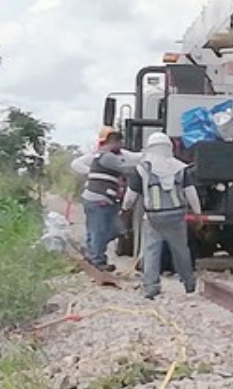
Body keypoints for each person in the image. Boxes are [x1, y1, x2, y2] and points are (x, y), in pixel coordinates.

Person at [121, 132, 201, 299]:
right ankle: (189, 283)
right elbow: (191, 193)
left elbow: (130, 197)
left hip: (153, 218)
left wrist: (125, 209)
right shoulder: (180, 168)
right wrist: (198, 214)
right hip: (177, 216)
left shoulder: (143, 168)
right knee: (181, 250)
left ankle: (151, 287)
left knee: (151, 250)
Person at [71, 127, 140, 271]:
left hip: (104, 199)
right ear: (114, 142)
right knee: (99, 230)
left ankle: (92, 253)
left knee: (110, 229)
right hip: (99, 200)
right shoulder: (107, 157)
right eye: (120, 143)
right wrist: (145, 166)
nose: (121, 146)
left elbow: (132, 158)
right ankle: (98, 261)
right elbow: (127, 168)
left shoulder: (104, 156)